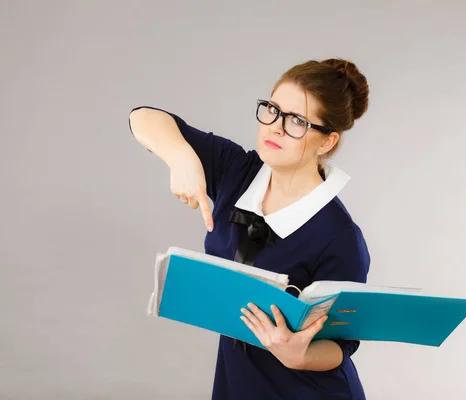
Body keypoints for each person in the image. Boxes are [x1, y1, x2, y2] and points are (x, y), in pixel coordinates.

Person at [128, 58, 371, 400]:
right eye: (272, 109)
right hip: (238, 383)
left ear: (327, 141)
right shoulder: (236, 171)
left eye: (297, 121)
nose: (275, 127)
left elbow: (342, 343)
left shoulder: (340, 237)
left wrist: (301, 354)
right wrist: (180, 156)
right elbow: (143, 118)